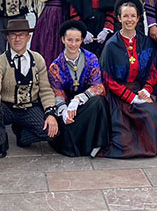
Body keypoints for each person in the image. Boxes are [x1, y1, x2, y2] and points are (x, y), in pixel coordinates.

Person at [99, 0, 157, 158]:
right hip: (118, 95)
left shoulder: (145, 42)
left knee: (152, 116)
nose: (129, 20)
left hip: (139, 90)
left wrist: (146, 89)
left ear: (138, 18)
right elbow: (108, 79)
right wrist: (130, 98)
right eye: (125, 16)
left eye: (133, 16)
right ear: (119, 18)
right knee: (122, 137)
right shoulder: (111, 45)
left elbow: (152, 71)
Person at [0, 20, 58, 158]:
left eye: (21, 35)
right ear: (8, 37)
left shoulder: (38, 59)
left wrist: (50, 114)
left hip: (29, 107)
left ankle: (22, 136)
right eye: (13, 35)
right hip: (7, 107)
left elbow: (45, 89)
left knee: (51, 131)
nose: (17, 39)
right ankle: (2, 141)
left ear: (28, 37)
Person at [47, 20, 110, 157]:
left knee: (99, 102)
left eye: (77, 40)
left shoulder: (91, 58)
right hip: (66, 107)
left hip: (85, 104)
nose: (73, 44)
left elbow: (98, 86)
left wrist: (79, 99)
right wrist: (64, 111)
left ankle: (98, 143)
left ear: (82, 40)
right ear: (63, 40)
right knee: (64, 125)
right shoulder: (55, 66)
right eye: (69, 40)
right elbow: (57, 93)